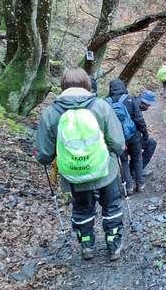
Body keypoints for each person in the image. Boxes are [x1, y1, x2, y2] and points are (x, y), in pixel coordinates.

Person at [35, 67, 125, 261]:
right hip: (105, 170)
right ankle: (113, 246)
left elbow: (43, 155)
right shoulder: (101, 106)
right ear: (87, 84)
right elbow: (118, 143)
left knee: (83, 209)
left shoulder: (51, 112)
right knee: (112, 206)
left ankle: (87, 246)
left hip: (74, 174)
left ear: (63, 86)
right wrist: (115, 153)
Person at [108, 79, 149, 194]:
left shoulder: (106, 102)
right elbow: (139, 119)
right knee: (137, 158)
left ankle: (129, 186)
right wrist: (145, 133)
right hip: (134, 135)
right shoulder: (130, 99)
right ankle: (140, 184)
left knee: (124, 160)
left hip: (118, 138)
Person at [136, 90, 157, 176]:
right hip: (130, 139)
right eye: (149, 104)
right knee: (151, 144)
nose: (149, 106)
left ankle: (134, 169)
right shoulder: (136, 108)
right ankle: (138, 170)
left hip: (124, 137)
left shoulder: (133, 102)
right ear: (145, 102)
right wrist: (145, 135)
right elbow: (140, 123)